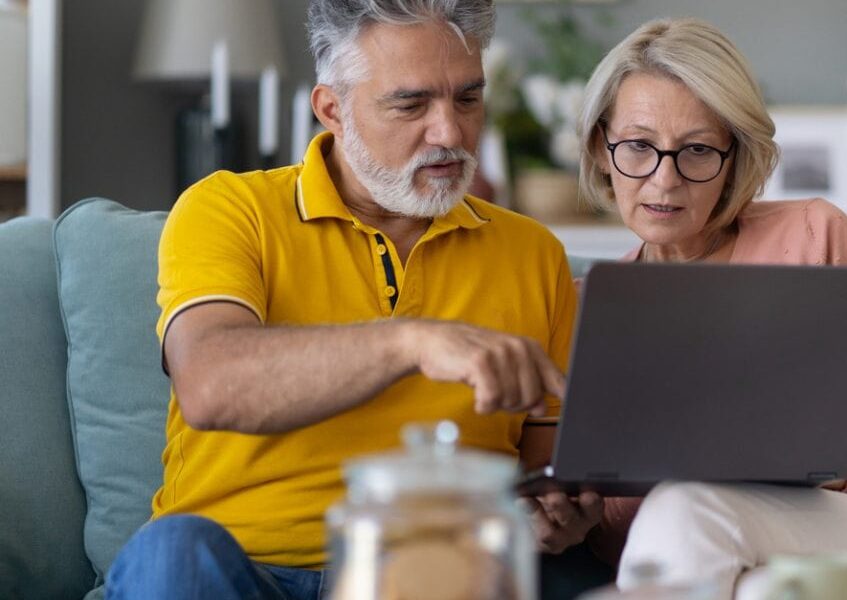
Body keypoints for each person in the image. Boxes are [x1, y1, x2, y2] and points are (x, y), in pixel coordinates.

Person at [104, 1, 602, 598]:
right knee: (173, 556)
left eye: (467, 99)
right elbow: (210, 384)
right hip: (236, 567)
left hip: (427, 573)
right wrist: (413, 341)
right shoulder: (229, 211)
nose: (449, 132)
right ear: (331, 109)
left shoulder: (532, 253)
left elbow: (541, 472)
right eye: (410, 104)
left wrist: (554, 518)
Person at [575, 18, 847, 600]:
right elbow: (627, 538)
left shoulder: (814, 236)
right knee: (763, 590)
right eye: (638, 146)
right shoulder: (590, 311)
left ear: (734, 157)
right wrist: (581, 520)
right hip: (724, 562)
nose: (664, 180)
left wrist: (823, 460)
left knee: (690, 509)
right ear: (601, 148)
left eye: (696, 151)